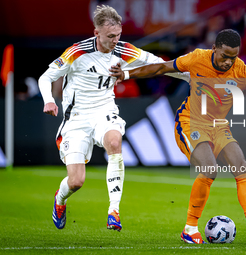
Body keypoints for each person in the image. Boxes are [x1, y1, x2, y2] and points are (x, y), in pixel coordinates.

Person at [109, 29, 246, 244]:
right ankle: (189, 229)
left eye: (233, 57)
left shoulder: (241, 71)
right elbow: (163, 67)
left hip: (218, 125)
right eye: (225, 56)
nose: (228, 62)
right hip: (190, 122)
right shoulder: (197, 58)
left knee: (241, 165)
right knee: (210, 170)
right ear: (214, 49)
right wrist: (126, 74)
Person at [38, 5, 189, 231]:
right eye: (110, 36)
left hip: (104, 110)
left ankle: (114, 211)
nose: (115, 40)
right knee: (76, 181)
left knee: (114, 142)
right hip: (76, 118)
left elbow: (158, 64)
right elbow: (46, 77)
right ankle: (60, 200)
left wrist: (188, 77)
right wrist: (48, 99)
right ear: (96, 33)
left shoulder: (125, 50)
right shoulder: (76, 52)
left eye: (118, 35)